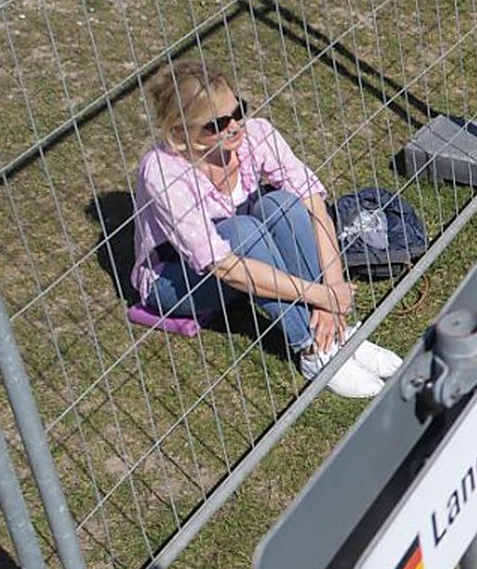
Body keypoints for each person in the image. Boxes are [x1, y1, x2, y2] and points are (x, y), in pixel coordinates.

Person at [131, 60, 401, 399]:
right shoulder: (162, 172)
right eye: (216, 124)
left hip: (244, 249)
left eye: (237, 111)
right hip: (179, 277)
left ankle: (337, 330)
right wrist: (319, 294)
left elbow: (313, 203)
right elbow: (223, 265)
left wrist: (332, 291)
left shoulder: (256, 133)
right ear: (181, 131)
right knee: (244, 232)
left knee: (283, 205)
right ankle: (312, 349)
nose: (234, 127)